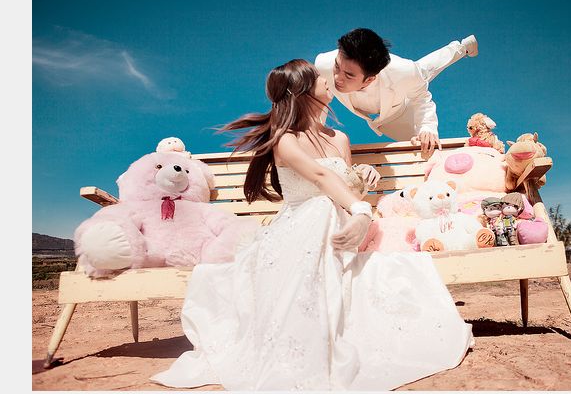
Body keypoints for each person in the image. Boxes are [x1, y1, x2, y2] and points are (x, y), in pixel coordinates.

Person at [150, 59, 474, 391]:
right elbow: (320, 178)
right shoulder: (285, 139)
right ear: (302, 91)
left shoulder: (340, 138)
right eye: (319, 78)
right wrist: (361, 210)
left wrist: (362, 179)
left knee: (333, 214)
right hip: (301, 231)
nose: (328, 79)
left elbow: (345, 189)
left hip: (342, 228)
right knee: (320, 207)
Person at [315, 27, 479, 157]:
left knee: (423, 71)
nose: (337, 78)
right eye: (337, 66)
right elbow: (316, 102)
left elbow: (421, 97)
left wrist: (427, 127)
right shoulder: (323, 64)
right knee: (421, 71)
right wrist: (314, 134)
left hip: (399, 111)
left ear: (370, 79)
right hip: (398, 84)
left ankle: (463, 47)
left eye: (349, 75)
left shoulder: (404, 72)